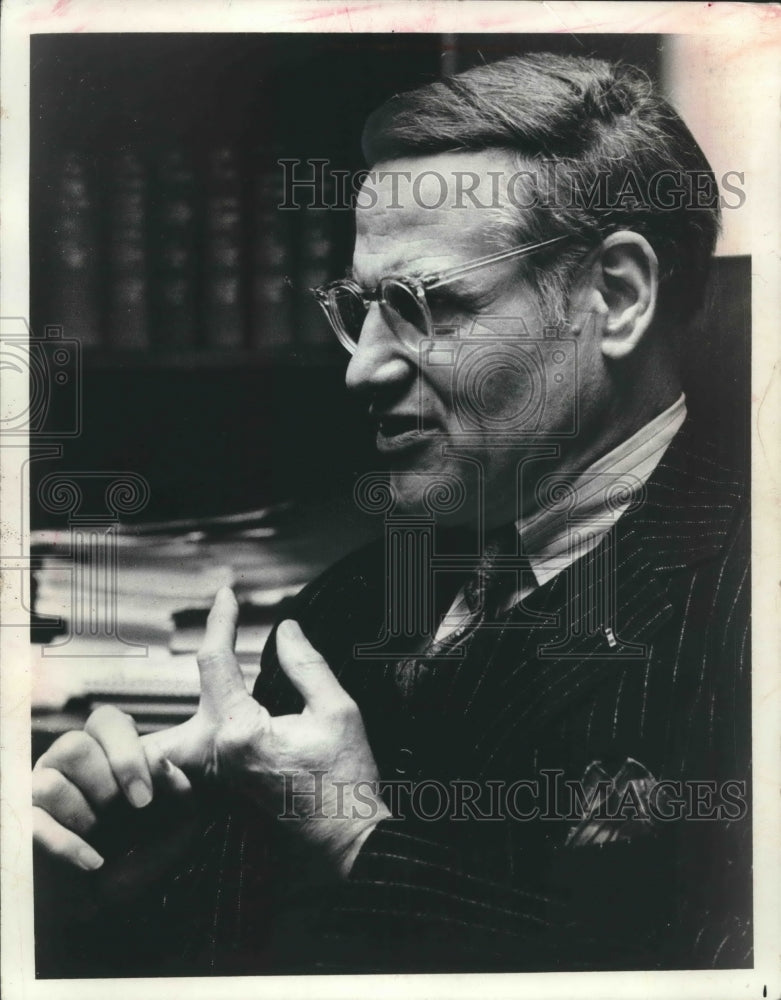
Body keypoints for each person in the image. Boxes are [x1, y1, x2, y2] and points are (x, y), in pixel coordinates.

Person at [32, 53, 751, 975]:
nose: (361, 369)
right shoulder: (339, 612)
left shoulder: (746, 613)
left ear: (614, 296)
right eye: (361, 308)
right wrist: (108, 886)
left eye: (424, 305)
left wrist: (355, 840)